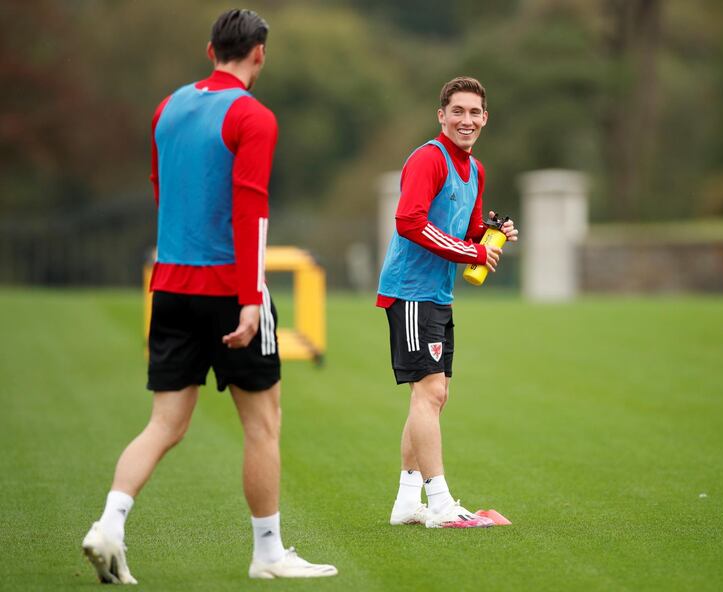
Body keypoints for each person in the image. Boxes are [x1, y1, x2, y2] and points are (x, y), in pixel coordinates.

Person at [80, 9, 337, 582]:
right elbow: (252, 208)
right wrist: (251, 298)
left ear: (209, 49)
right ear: (260, 54)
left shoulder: (167, 108)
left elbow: (159, 189)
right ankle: (268, 554)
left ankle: (109, 525)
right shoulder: (253, 116)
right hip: (229, 290)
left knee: (164, 423)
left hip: (169, 285)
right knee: (262, 422)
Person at [376, 76, 518, 529]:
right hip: (410, 290)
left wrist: (493, 234)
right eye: (458, 111)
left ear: (485, 119)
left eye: (475, 112)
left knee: (433, 396)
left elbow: (469, 229)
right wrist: (472, 251)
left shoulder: (474, 170)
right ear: (441, 115)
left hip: (437, 293)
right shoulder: (428, 159)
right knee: (430, 391)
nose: (467, 120)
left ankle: (405, 502)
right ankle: (439, 503)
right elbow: (408, 221)